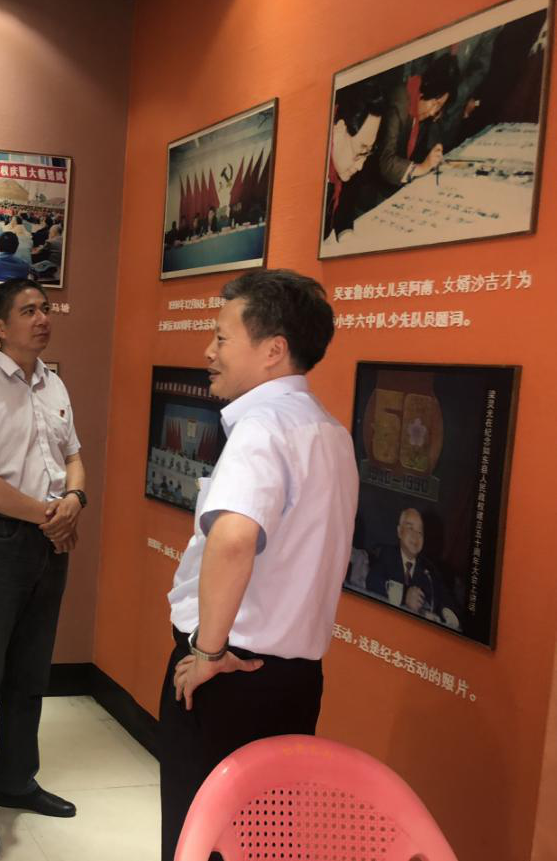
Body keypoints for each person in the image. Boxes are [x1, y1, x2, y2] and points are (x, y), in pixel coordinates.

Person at [159, 269, 358, 860]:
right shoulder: (328, 431)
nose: (209, 351)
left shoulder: (262, 429)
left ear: (273, 350)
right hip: (293, 681)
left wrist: (208, 652)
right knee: (267, 842)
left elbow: (233, 538)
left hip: (229, 678)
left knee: (203, 840)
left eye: (222, 338)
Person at [0, 278, 86, 859]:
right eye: (28, 311)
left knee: (30, 675)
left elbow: (73, 456)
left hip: (50, 540)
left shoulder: (55, 384)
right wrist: (49, 516)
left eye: (45, 308)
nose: (43, 318)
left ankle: (16, 782)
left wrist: (74, 500)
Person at [365, 508, 460, 631]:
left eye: (420, 532)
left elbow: (448, 602)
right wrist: (405, 596)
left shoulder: (429, 569)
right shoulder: (386, 554)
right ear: (399, 531)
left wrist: (443, 618)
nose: (415, 536)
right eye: (410, 528)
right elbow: (372, 582)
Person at [376, 54, 459, 189]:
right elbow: (386, 162)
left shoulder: (423, 104)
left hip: (400, 184)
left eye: (439, 107)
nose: (433, 112)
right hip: (376, 190)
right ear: (425, 91)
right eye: (434, 103)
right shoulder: (399, 103)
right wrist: (422, 167)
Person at [325, 81, 386, 239]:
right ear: (339, 131)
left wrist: (347, 236)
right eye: (361, 151)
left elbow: (344, 213)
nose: (360, 166)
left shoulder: (346, 170)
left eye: (367, 153)